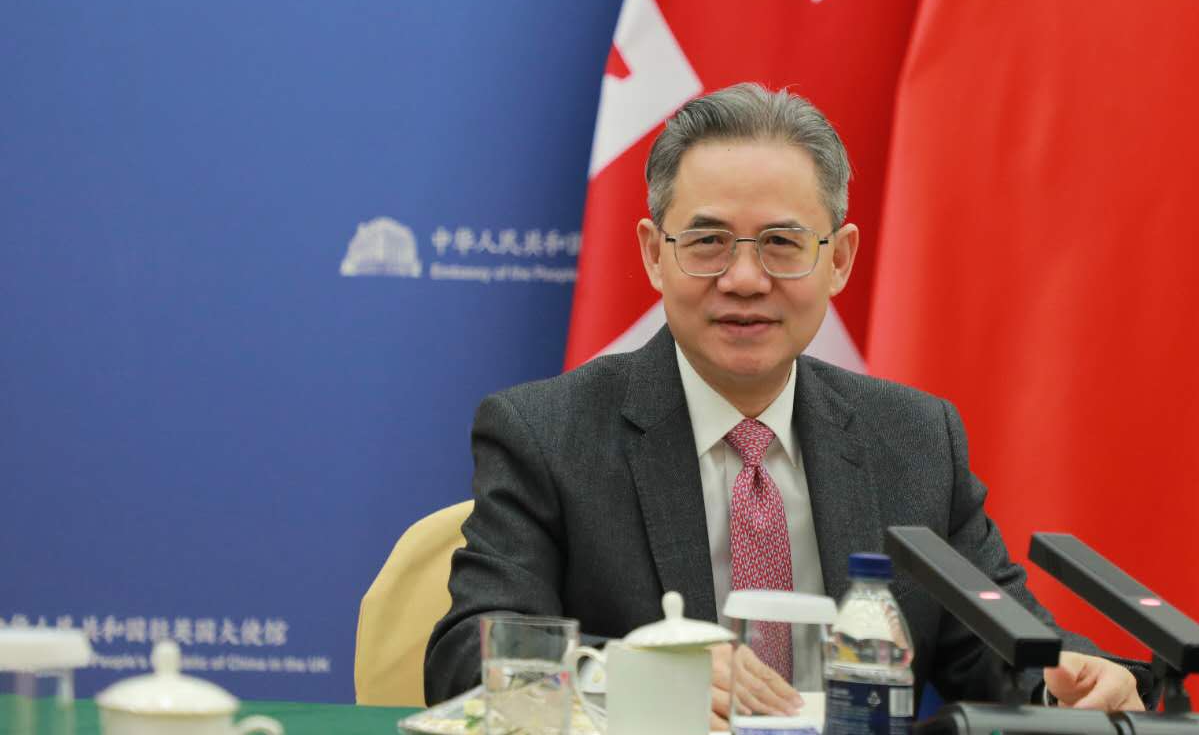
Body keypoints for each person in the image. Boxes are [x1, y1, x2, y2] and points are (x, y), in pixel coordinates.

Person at [424, 83, 1146, 722]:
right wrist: (635, 677)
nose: (744, 278)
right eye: (707, 241)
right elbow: (468, 657)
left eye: (780, 243)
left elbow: (1005, 649)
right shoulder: (548, 434)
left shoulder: (915, 439)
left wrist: (1070, 685)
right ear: (653, 253)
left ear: (839, 260)